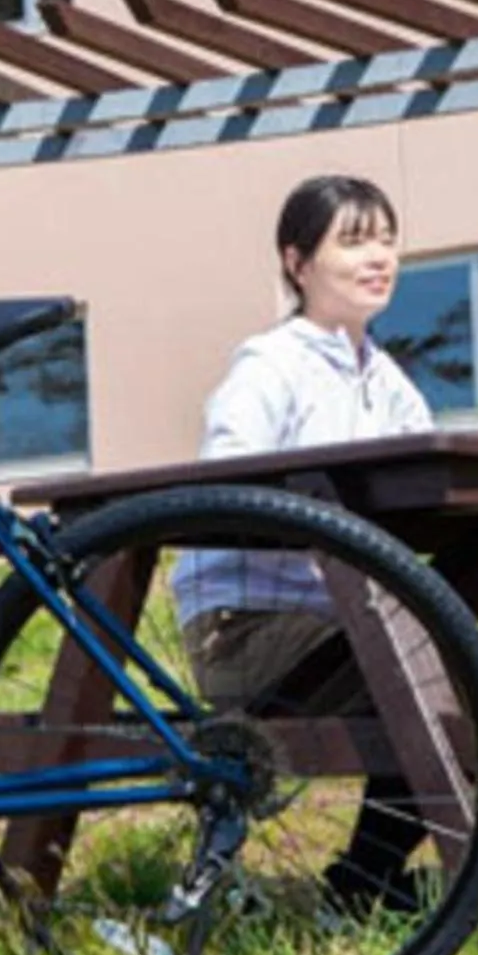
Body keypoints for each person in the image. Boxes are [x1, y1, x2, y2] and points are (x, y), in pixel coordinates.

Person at [169, 173, 449, 912]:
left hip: (341, 626)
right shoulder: (271, 363)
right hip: (247, 629)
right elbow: (227, 476)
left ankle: (364, 881)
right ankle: (370, 887)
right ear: (297, 263)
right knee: (441, 678)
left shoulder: (382, 376)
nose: (379, 257)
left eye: (386, 239)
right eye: (354, 241)